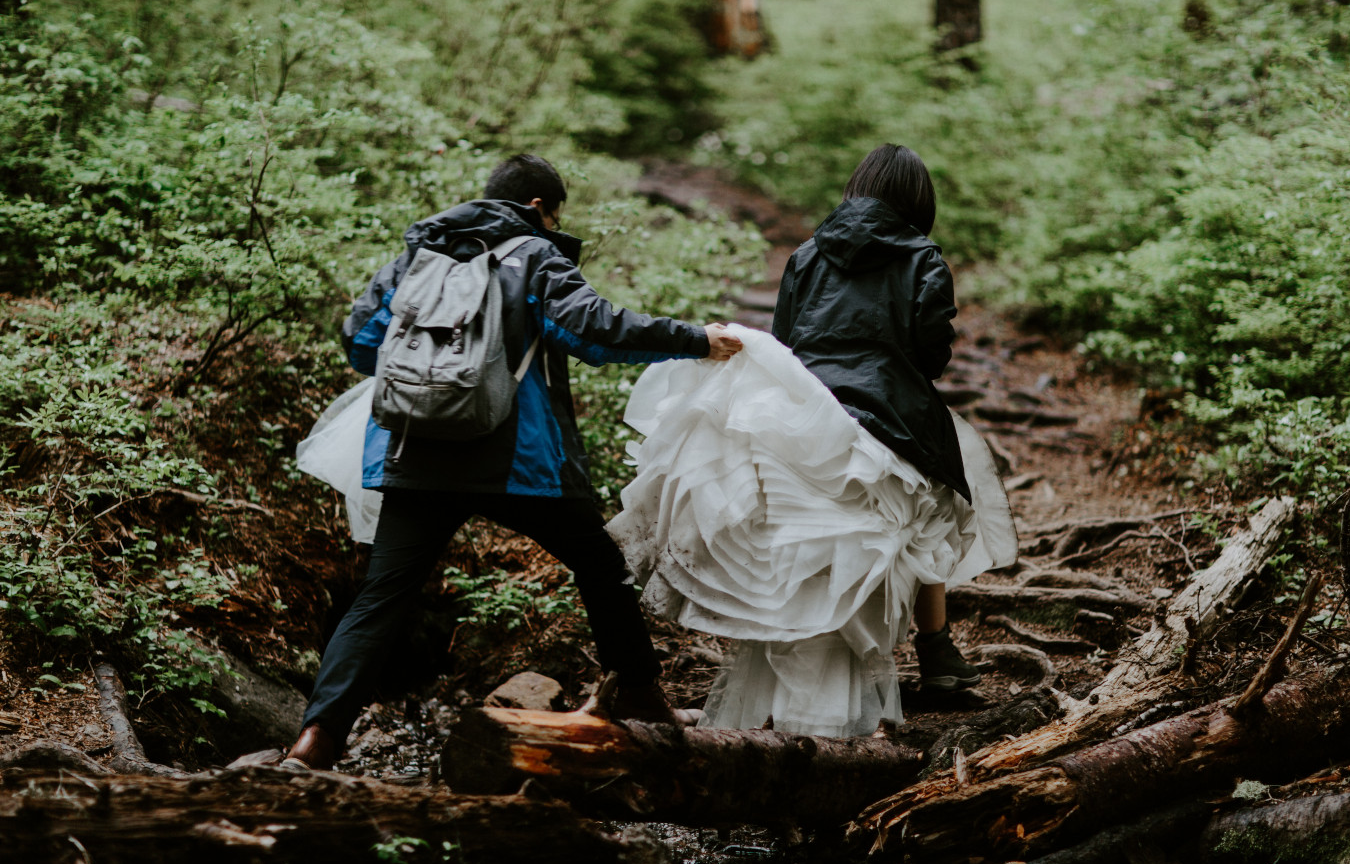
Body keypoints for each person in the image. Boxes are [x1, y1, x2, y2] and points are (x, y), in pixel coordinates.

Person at [282, 153, 743, 771]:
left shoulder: (418, 258)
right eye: (555, 216)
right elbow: (593, 329)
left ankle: (317, 738)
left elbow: (362, 341)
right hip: (515, 462)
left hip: (416, 455)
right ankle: (640, 694)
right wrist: (695, 339)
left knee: (381, 599)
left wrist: (439, 381)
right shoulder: (534, 255)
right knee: (601, 566)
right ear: (537, 209)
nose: (554, 227)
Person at [609, 144, 1016, 737]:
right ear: (918, 202)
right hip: (889, 410)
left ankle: (801, 680)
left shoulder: (808, 252)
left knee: (805, 541)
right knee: (940, 500)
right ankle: (937, 653)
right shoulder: (923, 256)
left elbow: (785, 340)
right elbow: (931, 355)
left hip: (807, 410)